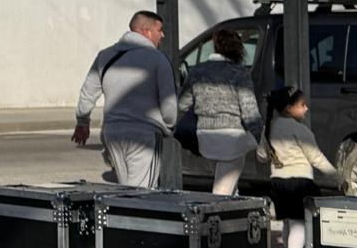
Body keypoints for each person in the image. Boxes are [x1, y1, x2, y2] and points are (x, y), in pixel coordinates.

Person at [71, 11, 178, 188]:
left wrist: (82, 121)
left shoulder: (105, 56)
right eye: (159, 30)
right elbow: (169, 103)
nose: (162, 35)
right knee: (143, 192)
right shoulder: (158, 59)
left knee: (125, 189)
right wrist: (169, 125)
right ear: (146, 31)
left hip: (113, 132)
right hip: (144, 133)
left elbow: (88, 91)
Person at [261, 85, 339, 248]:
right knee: (300, 223)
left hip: (277, 182)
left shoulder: (269, 128)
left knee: (288, 221)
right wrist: (338, 177)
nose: (306, 108)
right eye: (302, 105)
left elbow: (261, 155)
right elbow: (316, 158)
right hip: (300, 182)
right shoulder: (300, 130)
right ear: (289, 109)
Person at [179, 27, 263, 195]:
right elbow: (249, 110)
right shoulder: (240, 73)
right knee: (221, 192)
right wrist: (259, 135)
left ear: (215, 46)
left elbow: (182, 104)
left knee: (229, 185)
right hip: (232, 140)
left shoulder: (198, 71)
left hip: (204, 137)